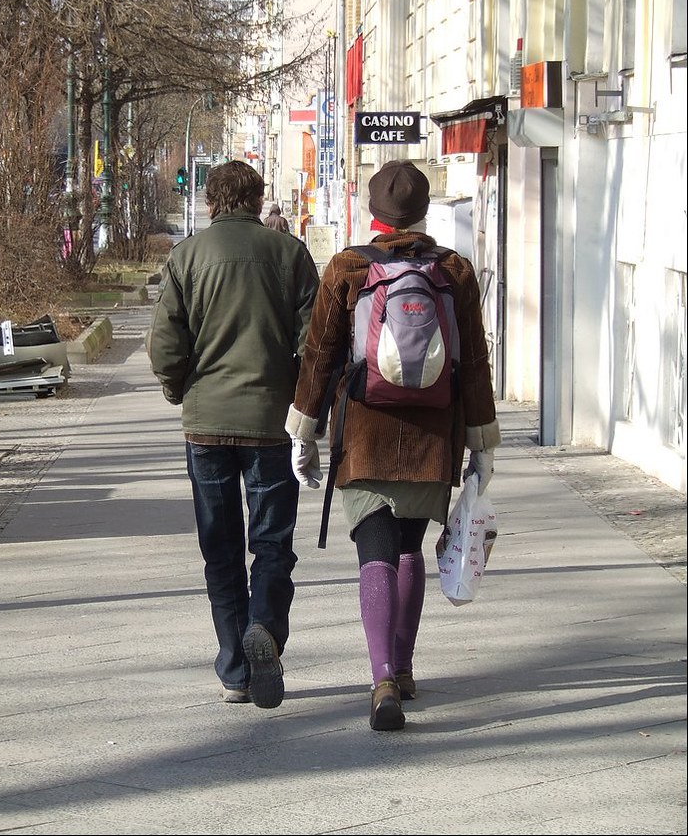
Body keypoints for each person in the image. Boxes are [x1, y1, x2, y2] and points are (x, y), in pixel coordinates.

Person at [284, 159, 500, 731]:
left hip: (365, 429)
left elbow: (320, 356)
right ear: (424, 212)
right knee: (409, 547)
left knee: (374, 548)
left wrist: (303, 432)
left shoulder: (349, 267)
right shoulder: (454, 271)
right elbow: (474, 363)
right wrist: (482, 443)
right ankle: (404, 668)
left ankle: (381, 678)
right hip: (435, 431)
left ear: (374, 212)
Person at [148, 160, 320, 709]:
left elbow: (165, 345)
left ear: (210, 200)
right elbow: (313, 342)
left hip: (207, 424)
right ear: (258, 197)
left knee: (219, 550)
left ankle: (235, 669)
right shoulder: (289, 255)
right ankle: (266, 626)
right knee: (272, 544)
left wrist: (181, 391)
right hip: (272, 422)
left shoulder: (186, 257)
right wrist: (306, 406)